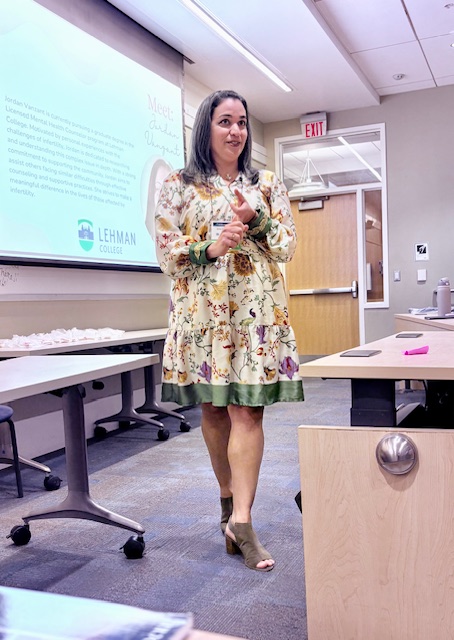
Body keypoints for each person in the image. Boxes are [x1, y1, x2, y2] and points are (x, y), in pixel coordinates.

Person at [154, 89, 304, 572]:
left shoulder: (267, 184)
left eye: (241, 122)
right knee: (215, 410)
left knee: (248, 411)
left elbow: (287, 246)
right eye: (225, 121)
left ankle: (242, 520)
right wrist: (211, 247)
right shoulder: (178, 185)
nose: (236, 130)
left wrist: (255, 220)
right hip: (203, 316)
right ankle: (227, 502)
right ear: (206, 127)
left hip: (254, 315)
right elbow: (166, 252)